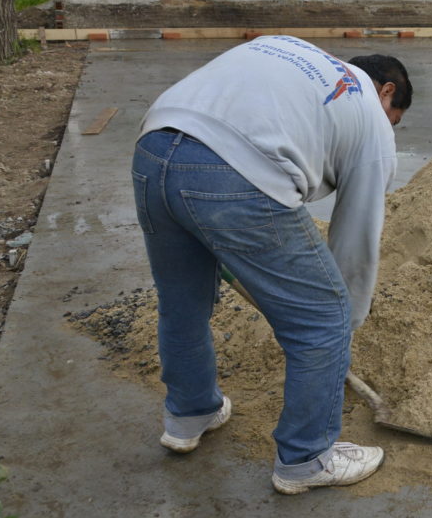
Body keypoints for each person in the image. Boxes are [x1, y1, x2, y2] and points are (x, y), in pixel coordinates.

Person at [130, 35, 413, 493]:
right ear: (385, 92)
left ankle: (189, 414)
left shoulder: (292, 51)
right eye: (395, 120)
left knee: (182, 302)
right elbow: (356, 236)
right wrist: (340, 326)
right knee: (324, 314)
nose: (391, 130)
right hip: (235, 171)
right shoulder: (368, 113)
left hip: (154, 147)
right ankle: (306, 457)